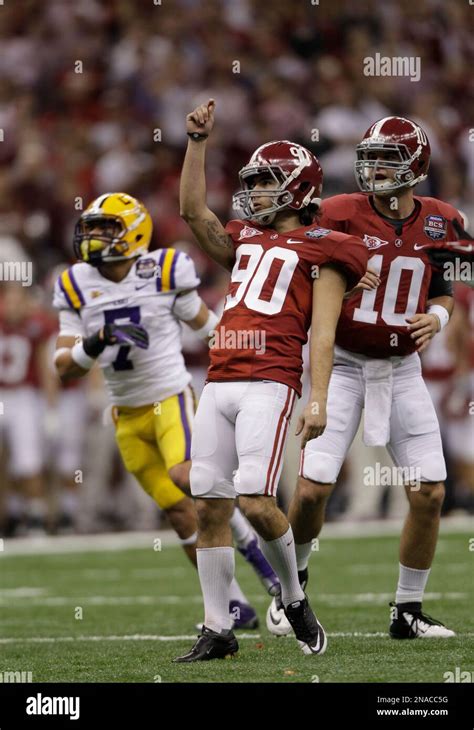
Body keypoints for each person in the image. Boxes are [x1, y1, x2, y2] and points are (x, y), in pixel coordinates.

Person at [174, 99, 368, 662]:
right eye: (254, 183)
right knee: (209, 503)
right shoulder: (244, 237)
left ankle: (294, 595)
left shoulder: (325, 248)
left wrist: (320, 399)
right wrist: (195, 142)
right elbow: (193, 213)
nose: (256, 192)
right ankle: (218, 629)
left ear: (300, 189)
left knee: (257, 502)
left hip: (270, 379)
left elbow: (325, 333)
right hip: (220, 378)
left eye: (266, 183)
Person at [268, 117, 461, 639]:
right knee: (310, 491)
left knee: (429, 494)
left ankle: (407, 610)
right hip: (345, 364)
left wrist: (438, 318)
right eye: (370, 156)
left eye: (386, 158)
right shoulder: (336, 213)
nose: (373, 167)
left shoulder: (443, 220)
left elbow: (445, 291)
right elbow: (293, 264)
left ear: (415, 166)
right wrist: (338, 286)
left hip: (403, 370)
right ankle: (293, 589)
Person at [53, 191, 278, 630]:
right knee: (178, 513)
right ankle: (234, 605)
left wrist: (251, 359)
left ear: (134, 232)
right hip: (125, 415)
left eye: (106, 228)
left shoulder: (164, 270)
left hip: (169, 400)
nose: (95, 236)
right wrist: (97, 340)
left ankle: (267, 571)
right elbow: (63, 368)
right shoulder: (76, 281)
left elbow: (208, 327)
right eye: (93, 227)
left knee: (192, 480)